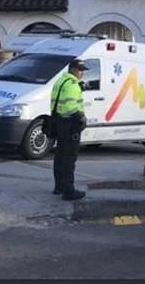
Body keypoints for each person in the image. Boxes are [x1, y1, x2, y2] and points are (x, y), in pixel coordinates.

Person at [51, 59, 89, 201]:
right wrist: (81, 118)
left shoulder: (60, 81)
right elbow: (71, 106)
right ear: (72, 69)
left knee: (60, 156)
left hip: (59, 121)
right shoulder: (73, 85)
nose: (82, 73)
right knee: (69, 158)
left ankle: (59, 186)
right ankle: (69, 190)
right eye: (80, 70)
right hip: (70, 123)